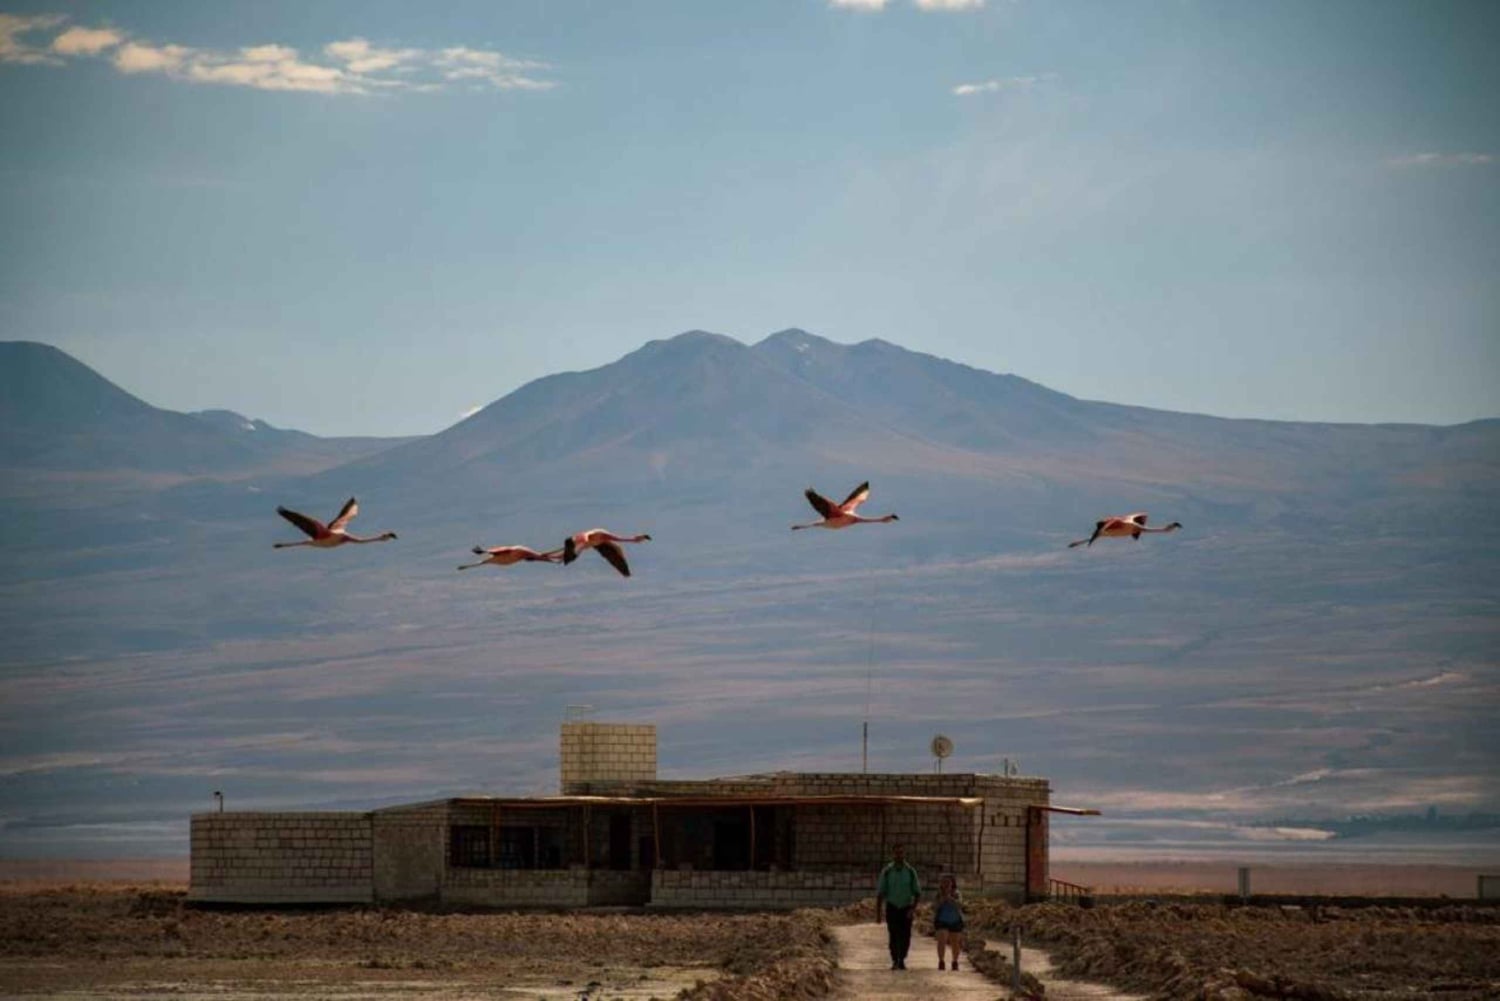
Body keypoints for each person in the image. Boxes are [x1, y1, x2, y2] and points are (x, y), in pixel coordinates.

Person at [874, 843, 921, 970]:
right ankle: (895, 959)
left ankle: (902, 958)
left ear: (904, 854)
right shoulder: (888, 871)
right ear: (893, 854)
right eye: (896, 853)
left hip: (906, 907)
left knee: (905, 935)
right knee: (893, 934)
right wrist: (878, 914)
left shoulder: (910, 871)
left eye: (901, 853)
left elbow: (917, 892)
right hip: (893, 907)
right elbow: (880, 893)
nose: (899, 855)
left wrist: (913, 909)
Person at [933, 873, 966, 970]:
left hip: (955, 920)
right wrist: (942, 899)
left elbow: (959, 905)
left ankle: (955, 961)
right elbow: (935, 906)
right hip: (941, 920)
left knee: (955, 942)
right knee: (941, 940)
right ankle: (941, 961)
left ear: (952, 883)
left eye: (948, 882)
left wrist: (950, 898)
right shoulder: (938, 894)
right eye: (944, 882)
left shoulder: (957, 893)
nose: (946, 884)